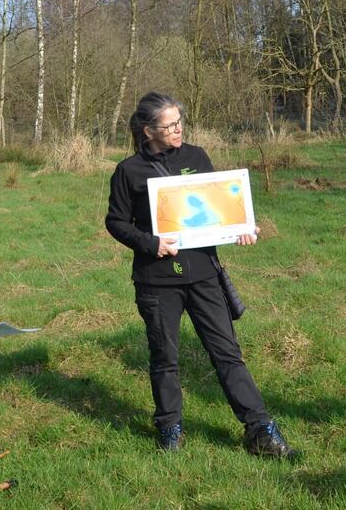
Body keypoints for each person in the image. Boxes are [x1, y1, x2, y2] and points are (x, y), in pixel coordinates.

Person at [105, 91, 295, 457]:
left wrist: (240, 228)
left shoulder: (197, 157)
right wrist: (151, 243)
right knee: (165, 357)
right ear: (148, 131)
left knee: (227, 353)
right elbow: (116, 221)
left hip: (204, 274)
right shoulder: (129, 171)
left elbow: (218, 207)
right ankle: (170, 429)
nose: (178, 129)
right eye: (169, 125)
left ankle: (259, 429)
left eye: (179, 122)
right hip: (157, 281)